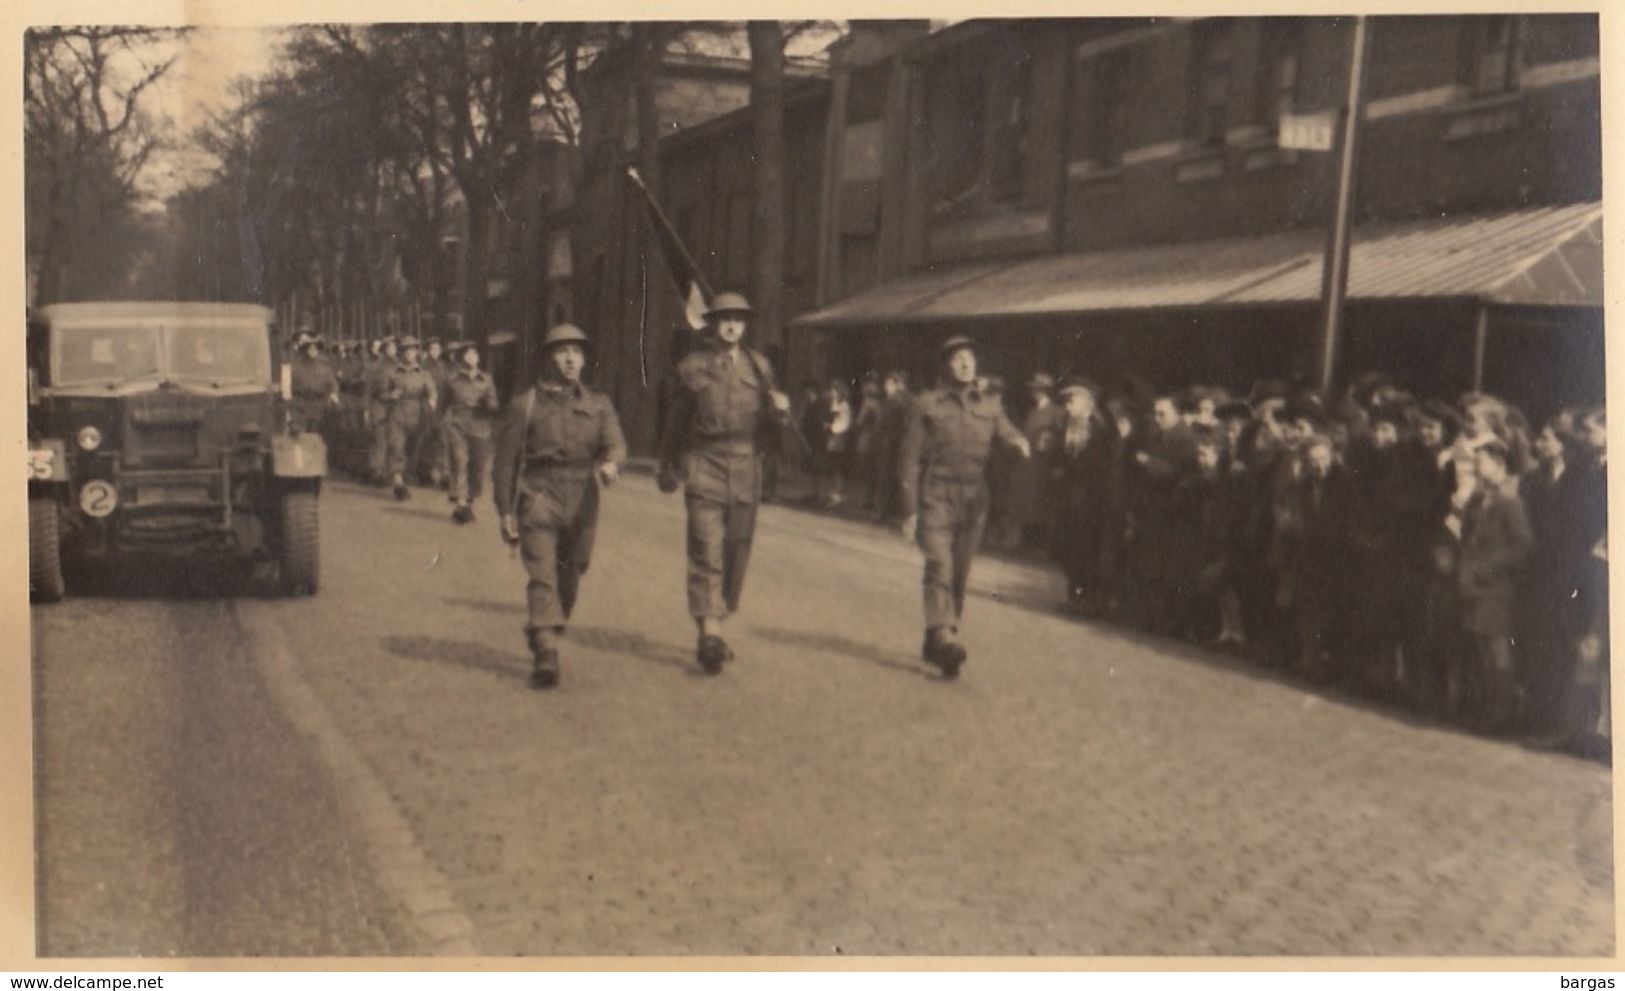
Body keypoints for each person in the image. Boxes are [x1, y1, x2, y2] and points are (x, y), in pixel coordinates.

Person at [656, 291, 791, 675]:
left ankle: (720, 611)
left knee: (737, 551)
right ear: (713, 323)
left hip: (746, 468)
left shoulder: (760, 368)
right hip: (704, 465)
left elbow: (770, 429)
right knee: (705, 550)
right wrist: (667, 465)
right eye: (725, 318)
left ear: (745, 325)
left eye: (739, 319)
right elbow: (676, 422)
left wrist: (779, 414)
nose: (732, 325)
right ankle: (709, 633)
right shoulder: (693, 368)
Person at [492, 324, 627, 690]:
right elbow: (505, 462)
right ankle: (546, 651)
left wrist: (612, 463)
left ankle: (545, 626)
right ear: (549, 358)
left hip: (583, 496)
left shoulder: (598, 404)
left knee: (573, 572)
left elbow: (615, 443)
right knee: (542, 574)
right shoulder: (526, 405)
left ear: (584, 359)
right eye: (562, 351)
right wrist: (505, 511)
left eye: (576, 352)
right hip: (539, 494)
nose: (570, 359)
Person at [896, 335, 1031, 677]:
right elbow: (909, 460)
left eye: (970, 358)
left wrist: (1018, 443)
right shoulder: (926, 405)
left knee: (958, 575)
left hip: (974, 503)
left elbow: (1007, 434)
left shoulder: (989, 406)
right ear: (946, 366)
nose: (966, 364)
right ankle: (945, 635)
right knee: (939, 567)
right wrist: (909, 509)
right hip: (936, 497)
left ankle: (937, 640)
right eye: (958, 358)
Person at [1456, 438, 1535, 734]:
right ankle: (1488, 708)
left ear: (1498, 464)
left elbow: (1523, 544)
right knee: (1481, 646)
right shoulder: (1481, 498)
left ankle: (1502, 713)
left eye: (1481, 461)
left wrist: (1489, 568)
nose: (1476, 466)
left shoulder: (1508, 499)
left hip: (1495, 586)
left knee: (1497, 647)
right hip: (1476, 584)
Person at [1044, 377, 1119, 616]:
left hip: (1090, 500)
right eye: (1066, 402)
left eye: (1072, 401)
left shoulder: (1101, 430)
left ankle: (1088, 599)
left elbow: (1099, 466)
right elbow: (1058, 457)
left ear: (1087, 403)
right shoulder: (1066, 426)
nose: (1068, 406)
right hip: (1068, 498)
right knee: (1069, 548)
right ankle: (1074, 596)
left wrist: (1067, 468)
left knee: (1086, 549)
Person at [440, 341, 501, 524]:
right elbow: (444, 403)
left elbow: (495, 404)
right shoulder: (452, 379)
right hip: (457, 423)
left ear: (478, 358)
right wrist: (440, 422)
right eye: (467, 354)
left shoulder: (487, 379)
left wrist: (489, 405)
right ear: (461, 358)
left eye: (474, 354)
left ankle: (469, 501)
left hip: (480, 425)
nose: (471, 357)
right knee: (459, 461)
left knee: (478, 465)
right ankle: (461, 503)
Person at [385, 337, 438, 500]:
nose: (409, 353)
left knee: (412, 450)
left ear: (416, 353)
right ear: (401, 353)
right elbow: (381, 394)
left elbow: (432, 391)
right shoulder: (393, 373)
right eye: (406, 350)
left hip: (417, 414)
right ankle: (398, 482)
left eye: (412, 350)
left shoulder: (423, 374)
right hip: (397, 413)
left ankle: (405, 475)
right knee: (397, 447)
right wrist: (390, 395)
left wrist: (431, 400)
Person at [288, 330, 339, 441]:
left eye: (315, 348)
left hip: (318, 406)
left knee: (316, 438)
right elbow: (290, 387)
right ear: (305, 350)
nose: (312, 351)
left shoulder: (324, 365)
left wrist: (334, 395)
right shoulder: (296, 366)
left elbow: (332, 383)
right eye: (310, 348)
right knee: (301, 438)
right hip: (300, 406)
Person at [364, 337, 398, 486]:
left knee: (393, 441)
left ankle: (388, 472)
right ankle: (376, 472)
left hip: (395, 409)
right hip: (379, 407)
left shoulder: (399, 365)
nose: (393, 350)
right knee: (380, 440)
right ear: (384, 349)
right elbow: (369, 389)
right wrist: (366, 409)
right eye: (389, 347)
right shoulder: (376, 366)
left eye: (395, 347)